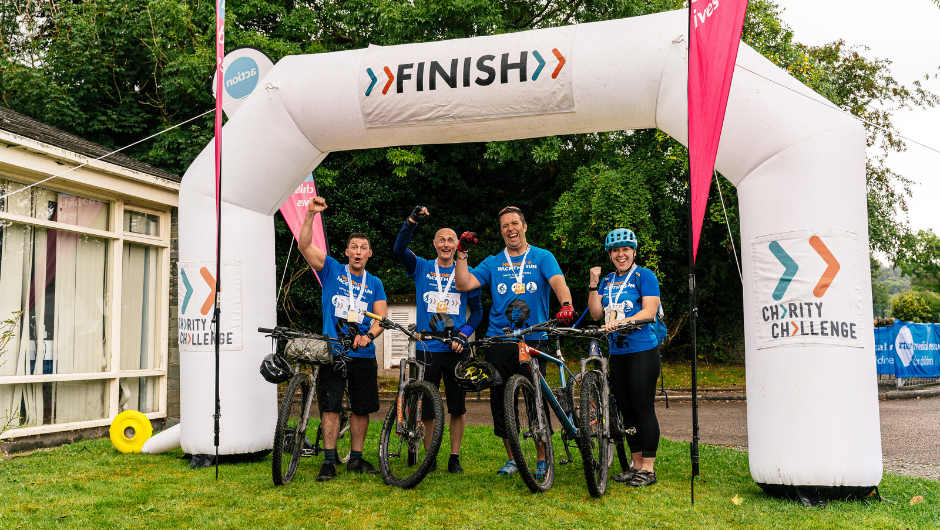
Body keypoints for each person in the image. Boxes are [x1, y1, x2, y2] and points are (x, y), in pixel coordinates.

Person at [454, 206, 575, 478]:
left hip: (534, 339)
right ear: (501, 232)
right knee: (500, 401)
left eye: (514, 223)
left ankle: (542, 458)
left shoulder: (542, 256)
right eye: (505, 226)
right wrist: (462, 252)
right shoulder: (493, 262)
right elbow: (463, 284)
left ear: (524, 226)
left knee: (536, 401)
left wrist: (566, 304)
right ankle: (513, 458)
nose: (510, 229)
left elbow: (558, 281)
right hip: (499, 339)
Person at [298, 196, 388, 482]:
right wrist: (310, 214)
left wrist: (369, 336)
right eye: (354, 248)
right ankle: (328, 461)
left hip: (362, 354)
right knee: (330, 406)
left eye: (364, 248)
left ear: (370, 254)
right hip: (333, 351)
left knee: (362, 408)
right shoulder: (332, 269)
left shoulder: (375, 283)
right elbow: (304, 246)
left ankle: (357, 459)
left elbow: (381, 319)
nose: (358, 252)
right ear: (347, 251)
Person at [393, 206, 484, 474]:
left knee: (457, 406)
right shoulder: (421, 267)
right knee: (427, 407)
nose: (446, 244)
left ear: (458, 245)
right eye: (441, 239)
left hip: (456, 348)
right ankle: (430, 454)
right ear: (434, 244)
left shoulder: (467, 272)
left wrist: (464, 335)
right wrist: (411, 222)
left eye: (451, 240)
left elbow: (478, 312)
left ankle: (454, 457)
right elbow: (399, 250)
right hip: (426, 348)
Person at [587, 228, 662, 487]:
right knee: (626, 411)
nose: (621, 254)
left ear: (633, 252)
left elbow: (650, 311)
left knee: (643, 408)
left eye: (625, 250)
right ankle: (635, 465)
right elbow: (596, 314)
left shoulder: (644, 275)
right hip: (617, 353)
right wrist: (594, 284)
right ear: (610, 255)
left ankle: (649, 470)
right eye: (615, 250)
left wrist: (621, 322)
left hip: (642, 352)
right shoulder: (607, 281)